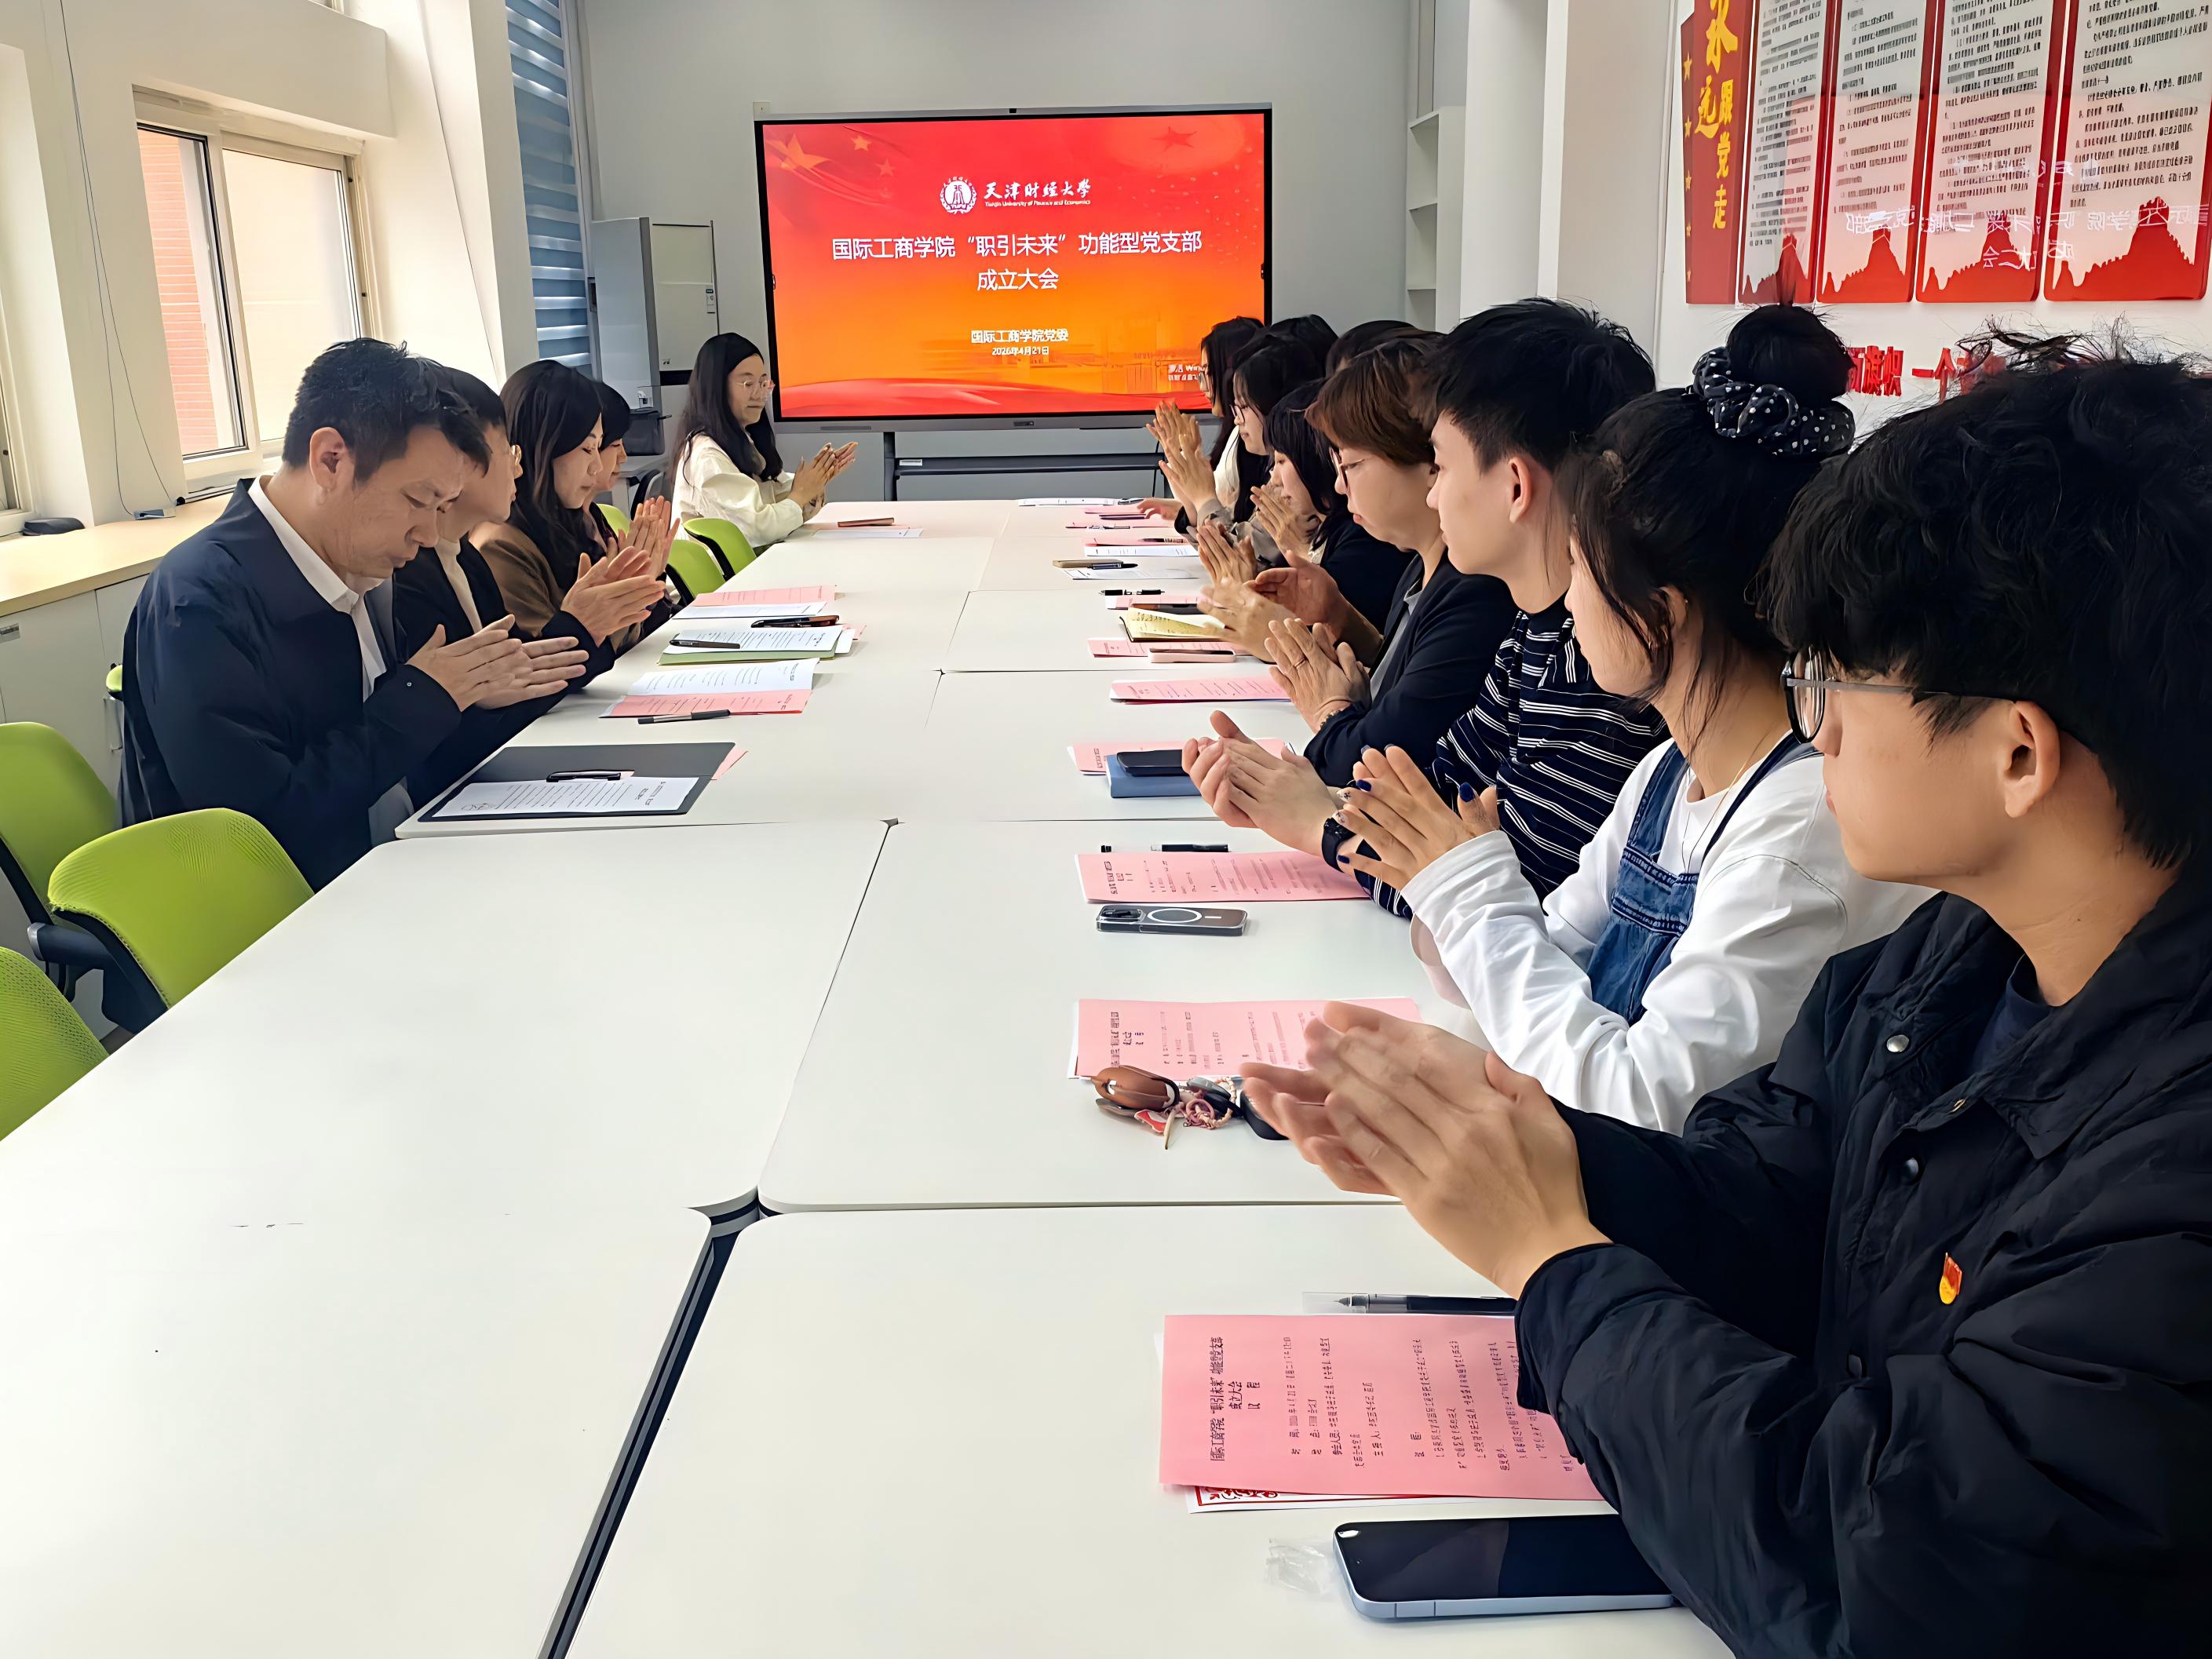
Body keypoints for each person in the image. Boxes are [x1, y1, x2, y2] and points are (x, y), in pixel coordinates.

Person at [1243, 334, 2212, 1655]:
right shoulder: (1943, 964)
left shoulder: (2168, 1180)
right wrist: (1526, 1148)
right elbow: (1767, 1200)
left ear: (2016, 753)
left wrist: (1552, 1260)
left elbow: (1879, 1564)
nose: (1814, 723)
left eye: (1837, 676)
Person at [1332, 308, 1929, 1131]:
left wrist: (1467, 890)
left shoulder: (1795, 836)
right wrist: (1462, 893)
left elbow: (1641, 1102)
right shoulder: (1668, 775)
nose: (1568, 602)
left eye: (1580, 566)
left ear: (1659, 612)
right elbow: (1527, 970)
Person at [1187, 301, 1663, 879]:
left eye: (1442, 465)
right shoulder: (1533, 631)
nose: (1435, 494)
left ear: (1515, 486)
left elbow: (1500, 887)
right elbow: (1440, 795)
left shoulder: (1593, 663)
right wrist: (1301, 799)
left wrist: (1321, 826)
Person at [119, 339, 586, 888]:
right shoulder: (198, 604)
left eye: (441, 508)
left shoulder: (362, 571)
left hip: (403, 868)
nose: (429, 533)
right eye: (418, 501)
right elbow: (257, 829)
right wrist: (423, 699)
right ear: (331, 460)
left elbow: (398, 763)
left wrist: (468, 699)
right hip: (288, 915)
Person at [1199, 339, 1514, 788]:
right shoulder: (1421, 568)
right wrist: (1338, 617)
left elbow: (1363, 764)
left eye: (1350, 465)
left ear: (1429, 464)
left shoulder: (1473, 592)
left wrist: (1326, 705)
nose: (1340, 487)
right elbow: (1395, 684)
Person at [392, 367, 668, 797]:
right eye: (508, 451)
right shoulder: (451, 561)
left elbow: (520, 684)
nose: (517, 467)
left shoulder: (465, 558)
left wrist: (613, 608)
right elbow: (473, 728)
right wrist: (584, 625)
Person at [476, 359, 675, 653]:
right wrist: (626, 595)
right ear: (544, 446)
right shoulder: (502, 546)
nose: (597, 466)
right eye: (587, 448)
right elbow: (560, 661)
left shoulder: (576, 520)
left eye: (599, 446)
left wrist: (640, 587)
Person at [1247, 376, 1413, 633]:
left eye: (1281, 461)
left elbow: (1325, 634)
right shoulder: (1327, 529)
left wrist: (1301, 553)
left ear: (1313, 459)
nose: (1274, 479)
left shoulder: (1363, 537)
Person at [666, 333, 855, 549]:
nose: (760, 394)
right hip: (726, 571)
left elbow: (770, 497)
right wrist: (801, 493)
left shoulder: (741, 439)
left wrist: (814, 482)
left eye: (764, 383)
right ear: (716, 388)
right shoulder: (707, 456)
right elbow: (756, 527)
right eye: (748, 383)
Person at [1138, 315, 1261, 525]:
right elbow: (1205, 507)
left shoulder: (1249, 438)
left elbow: (1214, 513)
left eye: (1207, 373)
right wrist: (1178, 452)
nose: (1203, 386)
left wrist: (1182, 454)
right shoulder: (1236, 432)